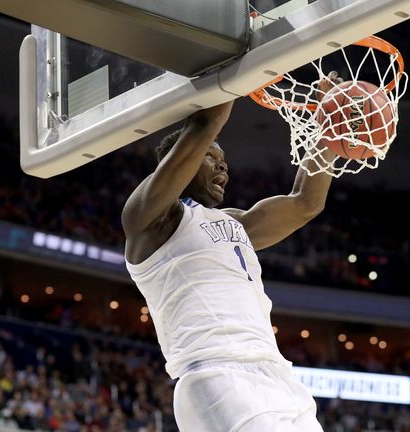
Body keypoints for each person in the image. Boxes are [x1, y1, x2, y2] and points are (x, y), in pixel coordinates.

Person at [122, 72, 341, 431]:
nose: (223, 164)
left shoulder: (239, 224)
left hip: (278, 377)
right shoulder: (150, 221)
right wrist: (242, 60)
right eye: (210, 156)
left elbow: (305, 203)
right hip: (215, 372)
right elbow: (206, 122)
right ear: (183, 163)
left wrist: (327, 125)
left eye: (223, 158)